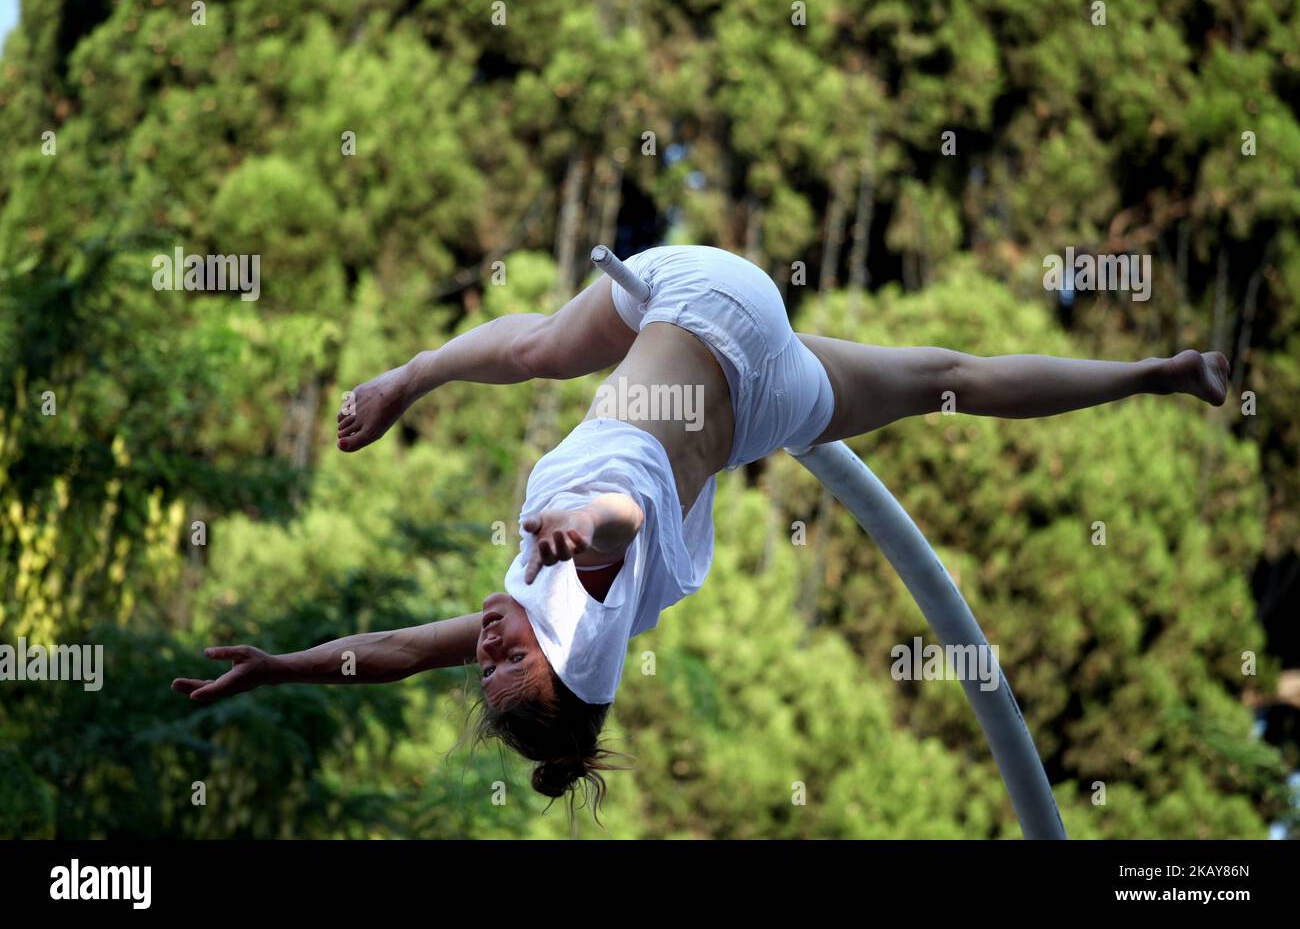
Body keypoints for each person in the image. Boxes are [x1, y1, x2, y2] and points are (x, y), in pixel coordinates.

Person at [173, 245, 1229, 813]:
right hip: (706, 309)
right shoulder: (583, 595)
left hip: (760, 402)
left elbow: (398, 651)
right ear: (564, 662)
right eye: (506, 662)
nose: (485, 643)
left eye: (483, 662)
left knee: (947, 379)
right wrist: (578, 519)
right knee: (545, 346)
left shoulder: (567, 632)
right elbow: (619, 523)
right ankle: (412, 374)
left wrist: (278, 668)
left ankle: (1159, 373)